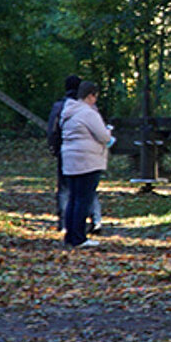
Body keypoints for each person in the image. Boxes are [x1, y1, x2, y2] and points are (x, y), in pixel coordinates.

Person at [58, 81, 113, 249]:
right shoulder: (88, 113)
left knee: (73, 198)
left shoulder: (68, 111)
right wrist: (109, 131)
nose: (95, 100)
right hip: (87, 160)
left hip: (70, 158)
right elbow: (103, 136)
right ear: (90, 95)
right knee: (84, 199)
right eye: (95, 96)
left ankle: (70, 235)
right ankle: (79, 237)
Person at [47, 74, 102, 236]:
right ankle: (95, 219)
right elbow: (101, 132)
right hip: (89, 154)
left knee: (66, 190)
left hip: (66, 151)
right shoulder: (88, 108)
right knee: (88, 191)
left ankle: (65, 224)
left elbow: (52, 129)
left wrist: (54, 147)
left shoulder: (60, 107)